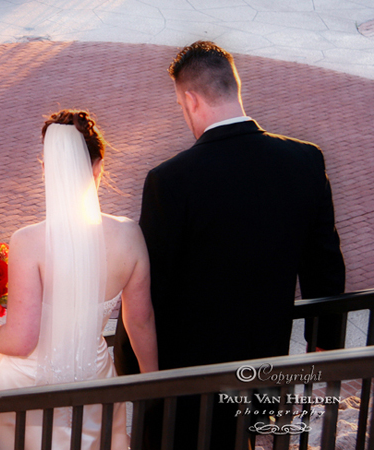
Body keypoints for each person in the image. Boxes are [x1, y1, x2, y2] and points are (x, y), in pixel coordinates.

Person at [113, 41, 345, 449]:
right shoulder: (305, 162)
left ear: (190, 99)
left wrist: (133, 369)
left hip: (187, 383)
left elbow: (149, 287)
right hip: (262, 370)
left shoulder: (170, 181)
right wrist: (325, 346)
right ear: (233, 87)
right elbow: (324, 266)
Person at [0, 109, 158, 450]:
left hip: (27, 393)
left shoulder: (29, 241)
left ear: (45, 170)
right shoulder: (130, 235)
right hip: (96, 389)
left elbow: (22, 341)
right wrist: (156, 386)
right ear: (99, 167)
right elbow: (140, 322)